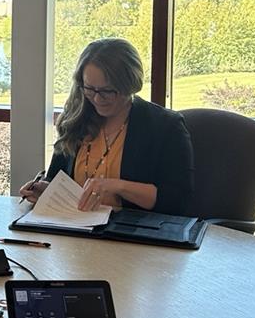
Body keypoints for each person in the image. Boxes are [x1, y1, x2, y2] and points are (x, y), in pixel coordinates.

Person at [19, 38, 194, 215]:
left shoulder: (165, 127)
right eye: (89, 89)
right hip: (74, 225)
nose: (97, 98)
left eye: (107, 91)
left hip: (131, 228)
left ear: (130, 85)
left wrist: (117, 186)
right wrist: (45, 190)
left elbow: (177, 201)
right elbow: (56, 178)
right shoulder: (75, 119)